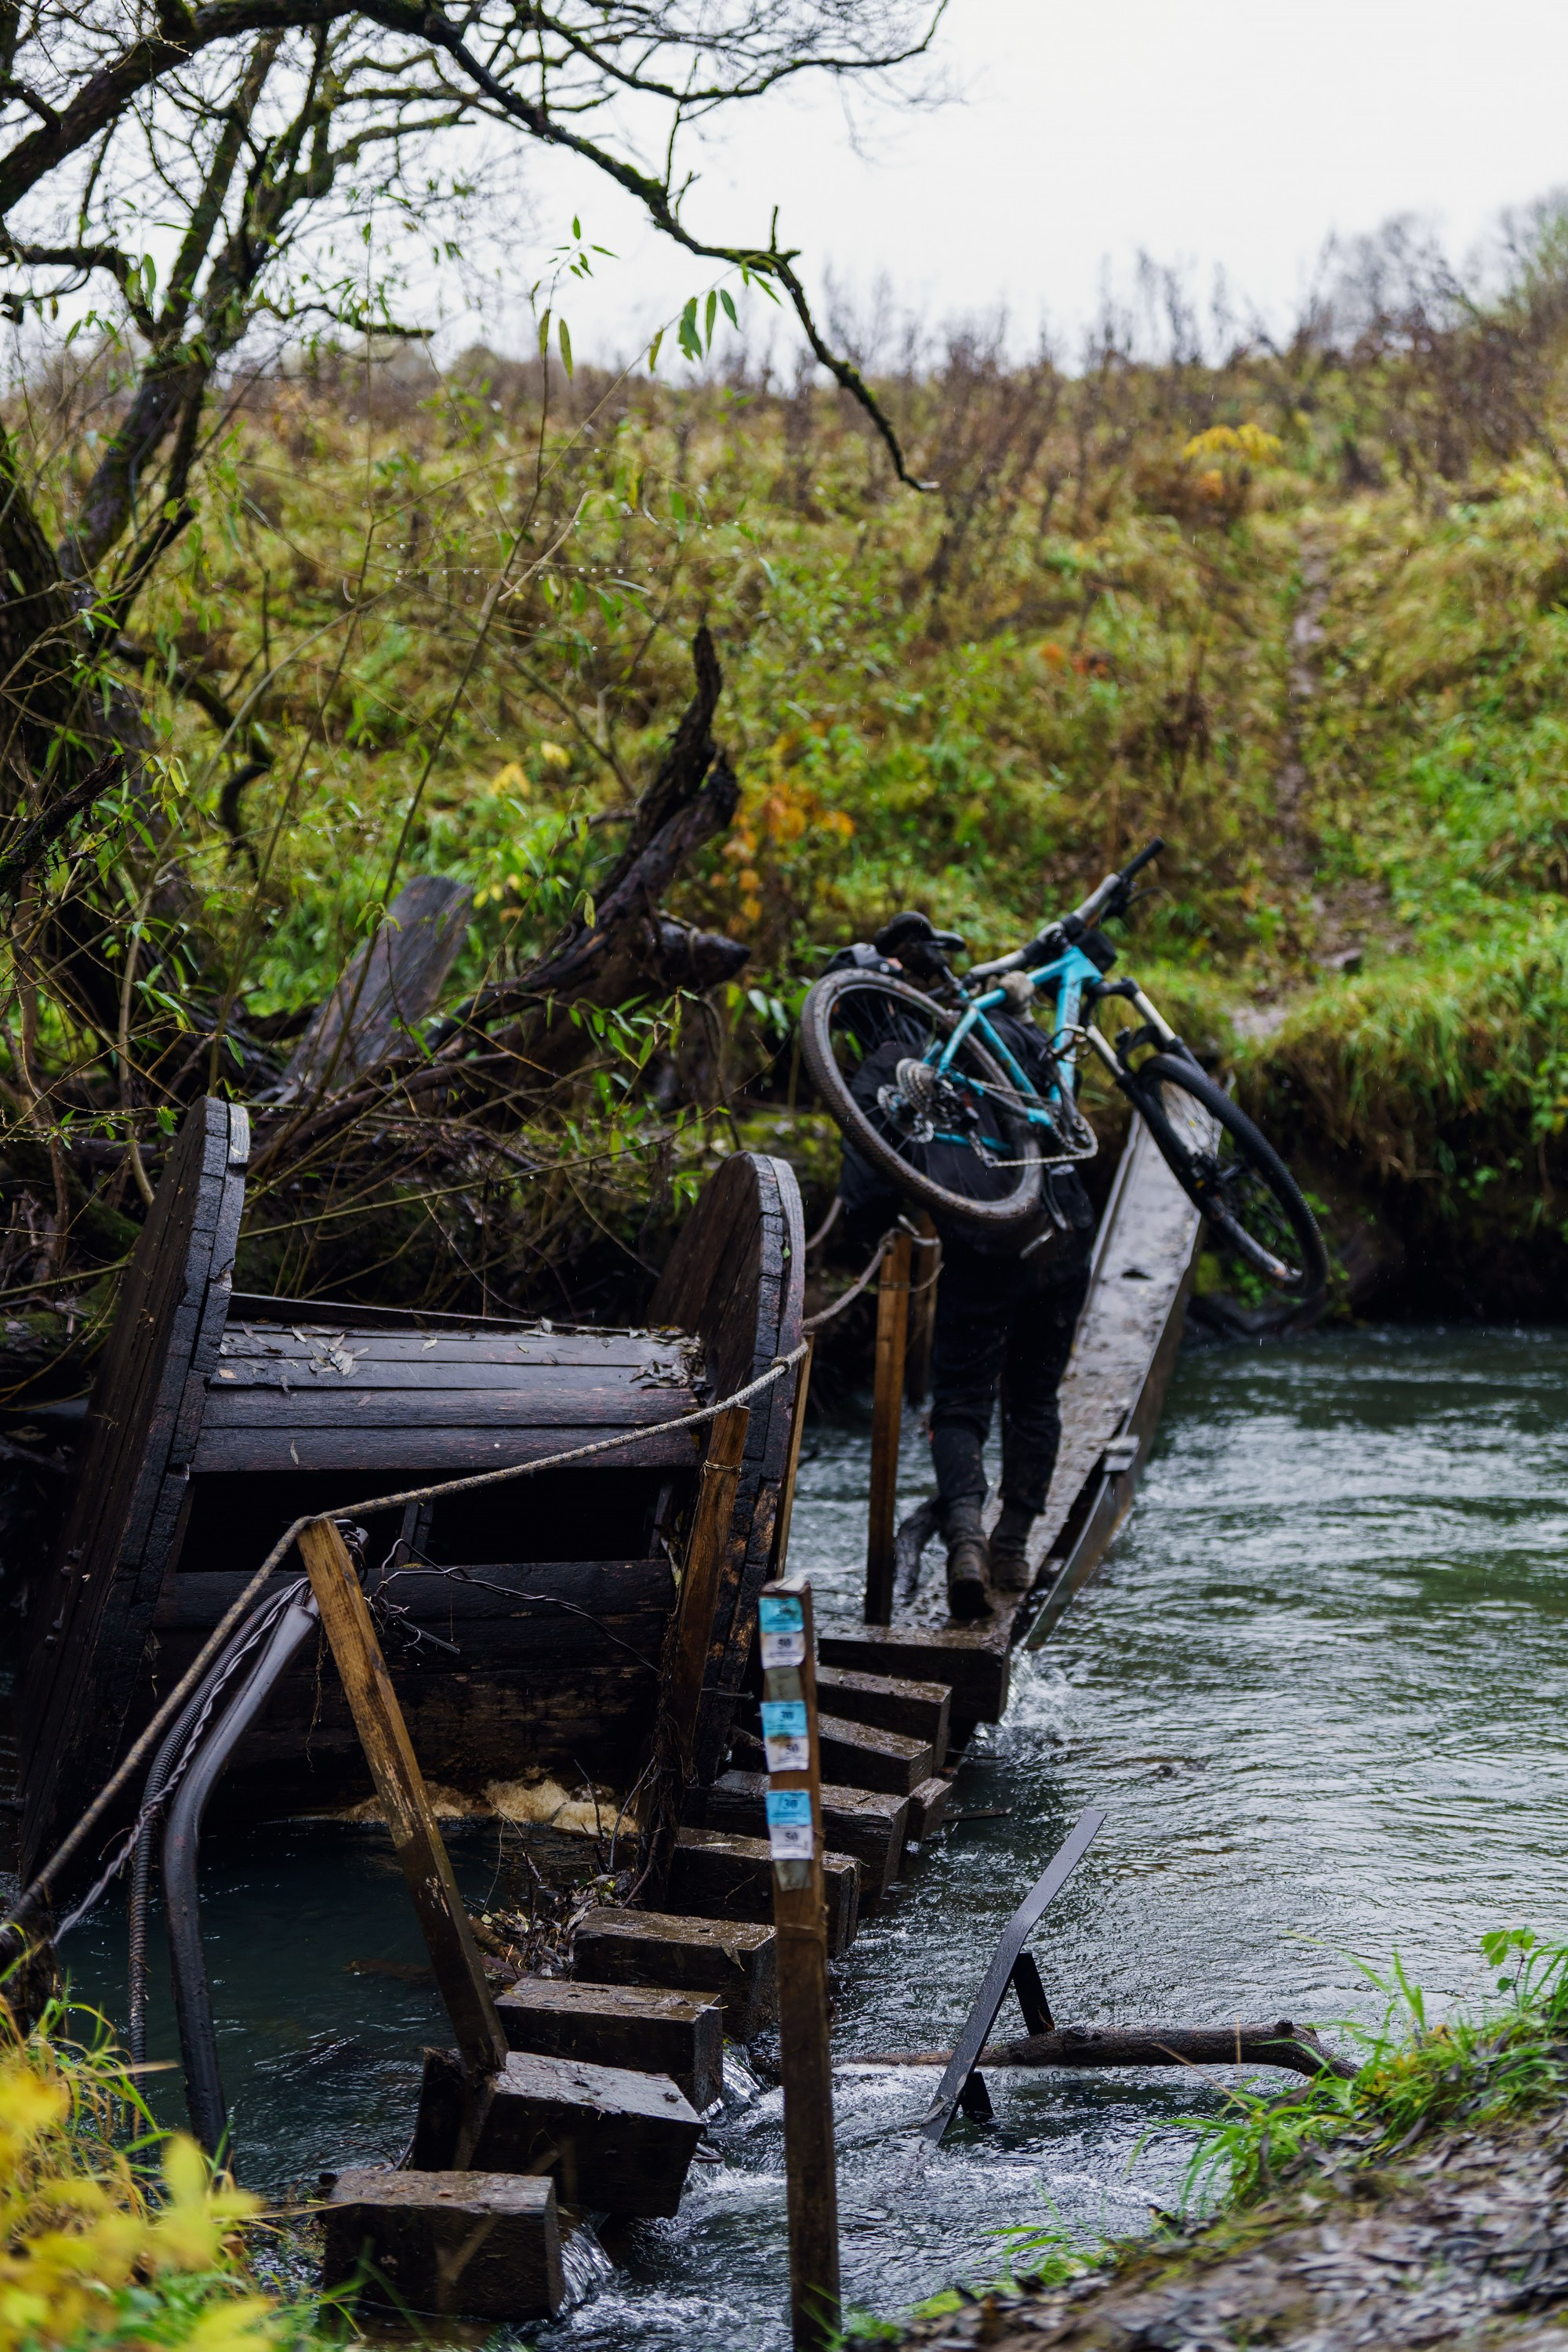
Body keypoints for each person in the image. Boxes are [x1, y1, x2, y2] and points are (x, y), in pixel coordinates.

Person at [830, 938, 1096, 1620]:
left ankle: (967, 1546)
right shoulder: (991, 1028)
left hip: (982, 1251)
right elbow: (1063, 1107)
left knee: (960, 1405)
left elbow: (863, 1198)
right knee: (1035, 1399)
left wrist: (894, 1221)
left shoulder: (879, 1074)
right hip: (1063, 1231)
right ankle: (1013, 1544)